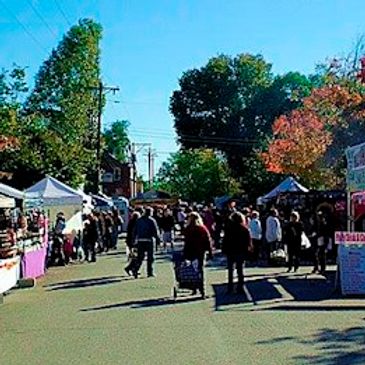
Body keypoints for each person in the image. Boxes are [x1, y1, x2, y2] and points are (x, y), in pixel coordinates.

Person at [183, 212, 213, 298]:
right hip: (200, 252)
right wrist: (210, 252)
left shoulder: (188, 229)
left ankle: (194, 288)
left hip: (190, 252)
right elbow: (208, 240)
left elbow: (186, 241)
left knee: (192, 269)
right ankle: (202, 290)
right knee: (200, 270)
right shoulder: (202, 228)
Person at [223, 212, 253, 294]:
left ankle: (230, 288)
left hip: (231, 251)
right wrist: (248, 250)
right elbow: (248, 241)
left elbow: (225, 240)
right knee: (240, 270)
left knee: (230, 270)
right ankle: (240, 287)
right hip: (241, 251)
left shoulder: (229, 228)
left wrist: (224, 250)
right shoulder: (244, 229)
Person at [133, 207, 160, 277]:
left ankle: (135, 270)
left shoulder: (139, 220)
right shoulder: (152, 220)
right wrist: (158, 240)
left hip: (140, 240)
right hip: (149, 240)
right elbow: (155, 231)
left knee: (140, 257)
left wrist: (134, 240)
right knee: (150, 258)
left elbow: (135, 231)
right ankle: (149, 272)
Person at [124, 211, 141, 276]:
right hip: (133, 242)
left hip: (130, 242)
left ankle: (131, 268)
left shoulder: (130, 223)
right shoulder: (135, 223)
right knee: (136, 256)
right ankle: (130, 268)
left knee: (134, 256)